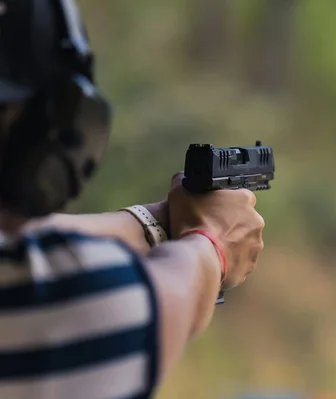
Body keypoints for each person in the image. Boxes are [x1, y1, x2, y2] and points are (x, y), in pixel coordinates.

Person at [0, 0, 265, 398]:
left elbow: (28, 246)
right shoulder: (68, 305)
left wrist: (155, 224)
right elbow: (156, 303)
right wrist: (212, 245)